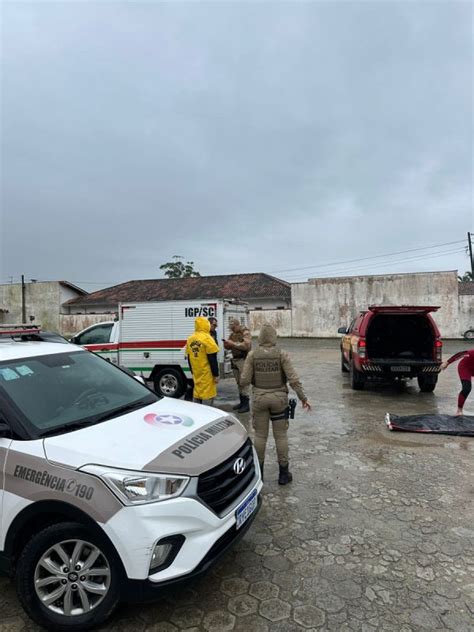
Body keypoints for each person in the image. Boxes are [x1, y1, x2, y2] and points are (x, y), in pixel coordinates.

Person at [240, 323, 311, 484]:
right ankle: (284, 474)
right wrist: (303, 398)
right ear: (274, 337)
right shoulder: (281, 354)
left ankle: (260, 474)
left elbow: (243, 380)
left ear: (260, 338)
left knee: (259, 436)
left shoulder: (252, 355)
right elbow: (293, 379)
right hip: (279, 399)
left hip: (259, 398)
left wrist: (255, 382)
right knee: (281, 436)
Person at [186, 317, 220, 405]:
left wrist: (192, 372)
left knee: (197, 394)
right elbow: (212, 359)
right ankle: (207, 415)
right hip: (206, 373)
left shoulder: (190, 338)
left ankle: (197, 414)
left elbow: (189, 357)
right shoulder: (208, 339)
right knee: (208, 396)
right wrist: (216, 375)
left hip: (196, 373)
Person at [223, 319, 252, 413]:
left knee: (244, 382)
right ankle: (242, 402)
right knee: (238, 382)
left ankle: (246, 405)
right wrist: (227, 344)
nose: (231, 329)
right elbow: (229, 345)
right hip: (235, 360)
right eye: (230, 328)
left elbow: (246, 346)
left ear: (237, 326)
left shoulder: (245, 332)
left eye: (233, 327)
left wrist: (233, 344)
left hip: (243, 360)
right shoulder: (232, 334)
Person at [441, 349, 474, 415]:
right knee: (466, 388)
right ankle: (459, 410)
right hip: (465, 368)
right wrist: (447, 363)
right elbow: (460, 354)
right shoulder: (472, 353)